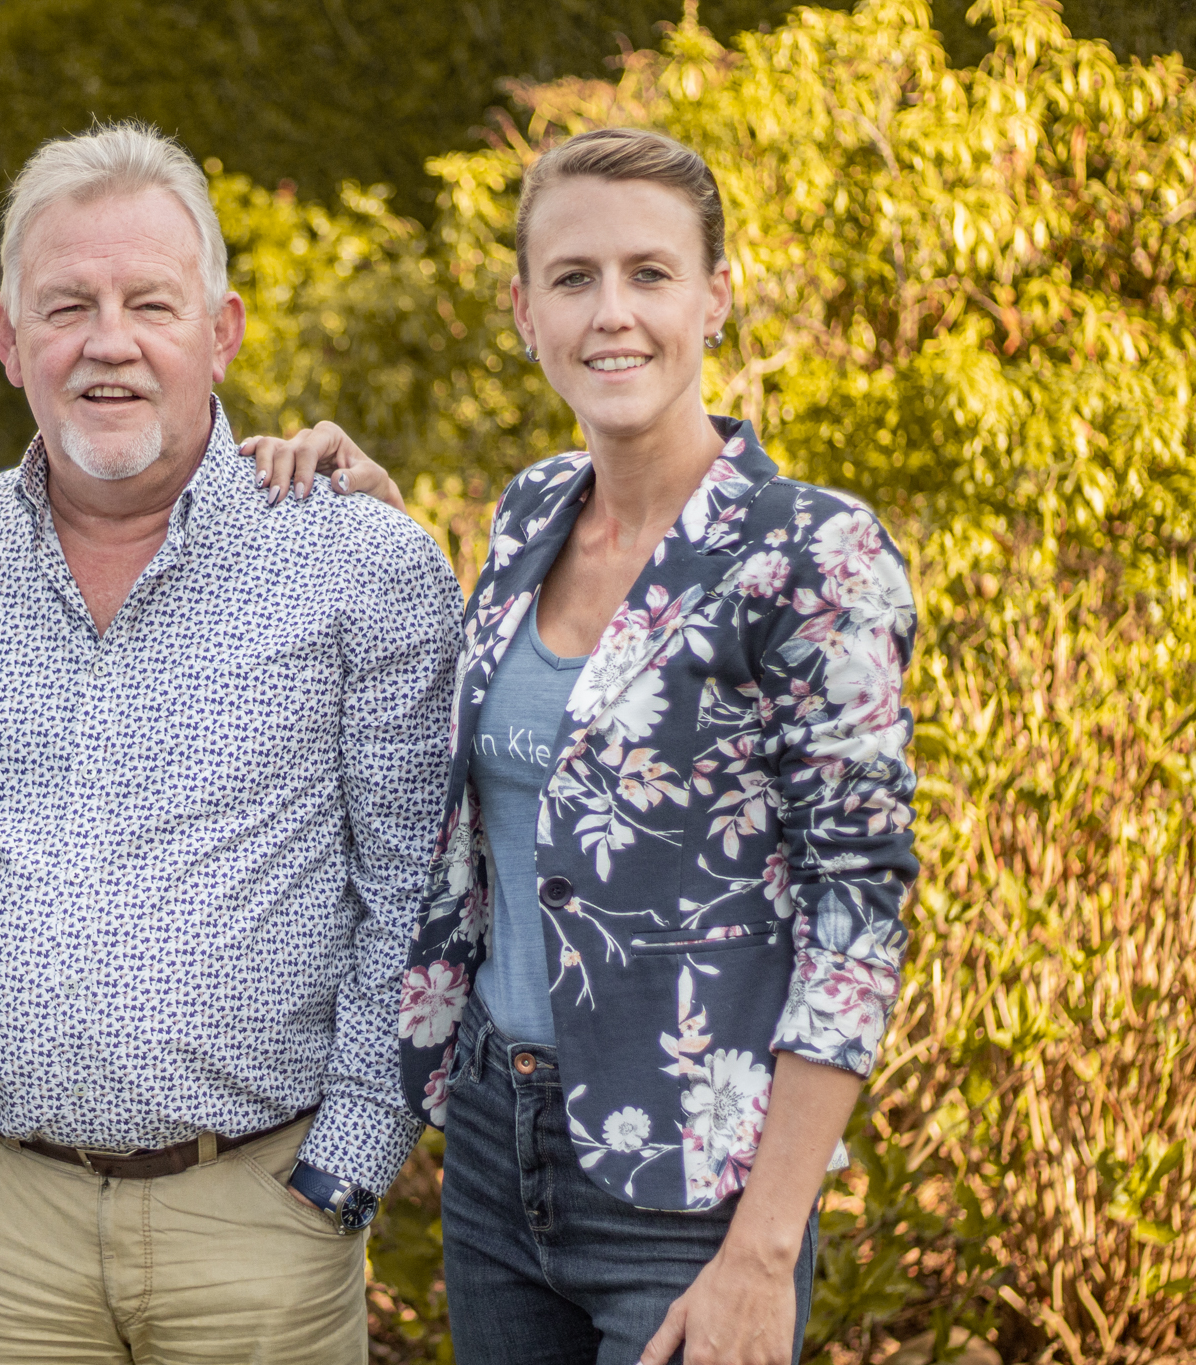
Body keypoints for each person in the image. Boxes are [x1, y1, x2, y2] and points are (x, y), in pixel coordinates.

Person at [246, 127, 918, 1365]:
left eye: (648, 273)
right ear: (523, 311)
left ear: (714, 296)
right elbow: (511, 748)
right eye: (572, 278)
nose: (611, 312)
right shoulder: (528, 512)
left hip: (693, 1193)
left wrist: (762, 1252)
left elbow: (856, 919)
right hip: (494, 1150)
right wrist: (374, 525)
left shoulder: (811, 554)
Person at [0, 120, 459, 1363]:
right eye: (67, 306)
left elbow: (417, 887)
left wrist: (344, 1169)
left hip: (259, 1223)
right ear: (7, 338)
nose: (109, 341)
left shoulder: (355, 559)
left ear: (220, 331)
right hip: (7, 1234)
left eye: (150, 304)